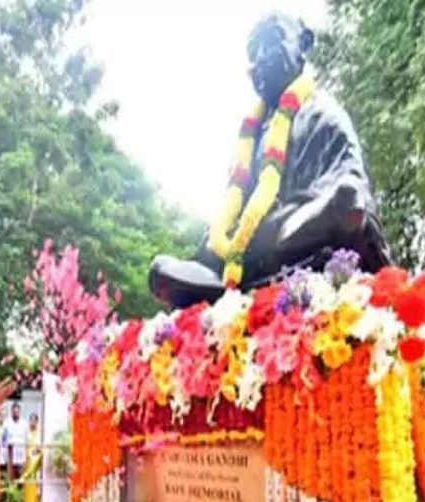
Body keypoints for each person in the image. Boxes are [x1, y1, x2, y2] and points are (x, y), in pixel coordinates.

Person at [148, 12, 390, 308]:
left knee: (344, 204)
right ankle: (223, 271)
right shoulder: (251, 138)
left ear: (303, 44)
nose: (261, 58)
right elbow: (234, 210)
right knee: (167, 269)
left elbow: (352, 187)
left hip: (301, 223)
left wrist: (319, 212)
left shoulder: (323, 112)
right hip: (255, 238)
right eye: (254, 52)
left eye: (272, 43)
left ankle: (248, 259)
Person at [3, 402, 28, 481]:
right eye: (14, 412)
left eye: (17, 412)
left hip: (21, 455)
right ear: (11, 412)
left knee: (21, 478)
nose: (15, 413)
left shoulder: (24, 424)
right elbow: (4, 438)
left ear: (19, 412)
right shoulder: (6, 423)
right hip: (10, 456)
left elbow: (27, 439)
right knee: (11, 479)